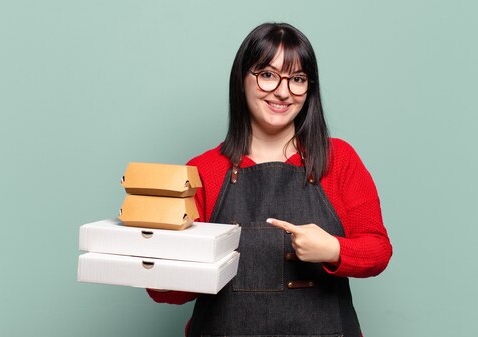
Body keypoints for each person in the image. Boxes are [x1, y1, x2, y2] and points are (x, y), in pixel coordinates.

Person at [147, 22, 392, 337]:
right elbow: (168, 292)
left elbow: (378, 249)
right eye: (267, 75)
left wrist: (333, 249)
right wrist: (155, 264)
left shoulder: (339, 158)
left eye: (298, 79)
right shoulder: (202, 170)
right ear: (242, 80)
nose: (282, 91)